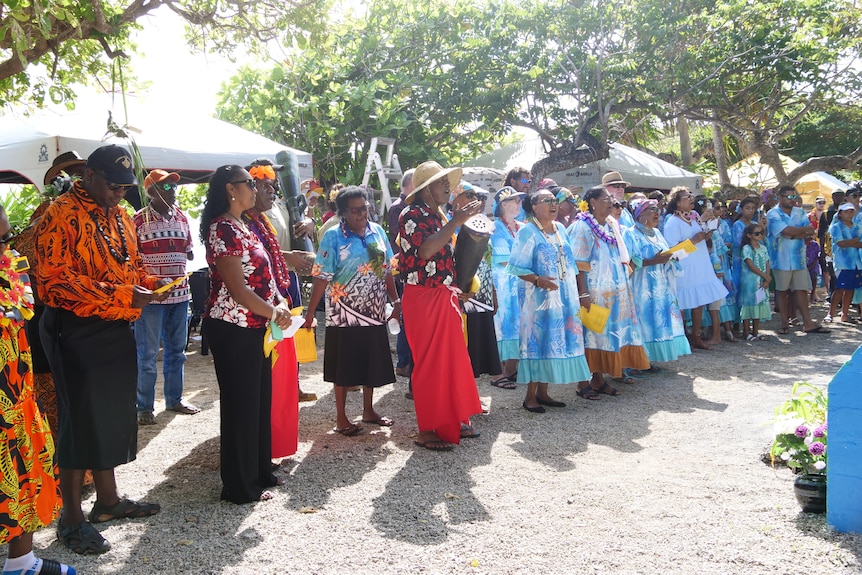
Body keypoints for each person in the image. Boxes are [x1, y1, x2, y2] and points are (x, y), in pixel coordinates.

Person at [35, 145, 168, 554]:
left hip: (115, 324)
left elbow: (126, 264)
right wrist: (123, 293)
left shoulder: (122, 214)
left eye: (126, 188)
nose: (120, 194)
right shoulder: (58, 213)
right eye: (113, 186)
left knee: (110, 413)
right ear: (89, 175)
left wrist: (150, 282)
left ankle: (107, 503)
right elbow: (52, 280)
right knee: (80, 419)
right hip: (74, 328)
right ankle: (71, 518)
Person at [200, 165, 293, 503]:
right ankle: (239, 486)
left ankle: (259, 473)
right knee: (241, 406)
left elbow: (264, 275)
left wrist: (279, 300)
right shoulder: (222, 228)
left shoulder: (245, 225)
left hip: (255, 326)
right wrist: (274, 311)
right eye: (249, 183)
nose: (255, 189)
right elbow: (238, 290)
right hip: (232, 326)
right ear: (230, 189)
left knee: (257, 402)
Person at [0, 204, 77, 575]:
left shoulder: (10, 268)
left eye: (4, 237)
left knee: (24, 467)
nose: (8, 248)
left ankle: (22, 562)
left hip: (17, 394)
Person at [398, 161, 483, 451]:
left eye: (448, 181)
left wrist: (460, 286)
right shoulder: (412, 213)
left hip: (442, 294)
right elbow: (425, 251)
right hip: (422, 297)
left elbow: (445, 257)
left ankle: (453, 419)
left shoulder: (439, 214)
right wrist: (455, 222)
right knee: (430, 364)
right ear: (425, 189)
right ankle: (427, 429)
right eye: (441, 182)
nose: (447, 186)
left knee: (452, 360)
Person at [303, 186, 398, 435]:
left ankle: (368, 410)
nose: (362, 214)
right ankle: (341, 417)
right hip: (343, 315)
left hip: (374, 311)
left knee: (371, 362)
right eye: (355, 210)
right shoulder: (334, 236)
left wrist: (395, 301)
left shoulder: (377, 232)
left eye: (365, 208)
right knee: (344, 366)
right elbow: (321, 276)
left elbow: (386, 270)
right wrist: (310, 312)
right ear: (343, 212)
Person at [507, 189, 591, 412]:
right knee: (538, 340)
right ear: (534, 207)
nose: (554, 205)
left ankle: (543, 393)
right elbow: (515, 266)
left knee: (554, 341)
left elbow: (571, 263)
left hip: (564, 295)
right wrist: (537, 279)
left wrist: (579, 292)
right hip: (538, 298)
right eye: (547, 201)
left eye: (555, 201)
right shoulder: (528, 231)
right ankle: (529, 397)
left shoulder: (561, 228)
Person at [246, 158, 317, 403]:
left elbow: (295, 230)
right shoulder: (246, 216)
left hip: (288, 279)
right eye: (264, 182)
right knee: (274, 335)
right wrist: (289, 257)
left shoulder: (278, 205)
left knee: (291, 333)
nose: (272, 187)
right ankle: (275, 390)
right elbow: (258, 249)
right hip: (269, 282)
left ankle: (291, 385)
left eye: (273, 182)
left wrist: (310, 221)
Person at [133, 169, 200, 425]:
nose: (174, 191)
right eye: (167, 187)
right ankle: (144, 407)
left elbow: (190, 252)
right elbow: (131, 259)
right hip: (152, 300)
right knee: (147, 354)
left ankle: (174, 399)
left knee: (177, 352)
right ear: (152, 192)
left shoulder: (182, 218)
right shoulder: (138, 220)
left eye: (175, 187)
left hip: (181, 297)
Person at [568, 185, 649, 395]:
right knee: (591, 335)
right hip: (594, 293)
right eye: (606, 198)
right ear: (592, 203)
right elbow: (579, 264)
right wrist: (583, 293)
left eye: (611, 198)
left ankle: (599, 379)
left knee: (606, 335)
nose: (611, 201)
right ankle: (583, 383)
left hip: (616, 293)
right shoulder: (582, 227)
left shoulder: (612, 224)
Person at [623, 199, 692, 364]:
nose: (657, 213)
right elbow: (628, 262)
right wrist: (652, 261)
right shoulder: (630, 234)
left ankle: (650, 360)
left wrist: (672, 257)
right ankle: (636, 362)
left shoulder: (657, 233)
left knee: (657, 320)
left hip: (661, 285)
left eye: (658, 210)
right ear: (640, 214)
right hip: (642, 287)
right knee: (643, 321)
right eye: (652, 209)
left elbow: (665, 254)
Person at [662, 187, 728, 350]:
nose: (691, 198)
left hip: (701, 264)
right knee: (683, 303)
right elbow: (672, 251)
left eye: (691, 195)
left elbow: (700, 237)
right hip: (685, 267)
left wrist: (706, 234)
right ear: (677, 202)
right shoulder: (672, 222)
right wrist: (693, 241)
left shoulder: (695, 216)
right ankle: (681, 338)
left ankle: (696, 336)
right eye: (686, 197)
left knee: (698, 302)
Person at [453, 183, 503, 391]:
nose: (478, 200)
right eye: (470, 195)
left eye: (480, 196)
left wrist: (493, 293)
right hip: (464, 298)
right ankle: (463, 397)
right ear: (456, 201)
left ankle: (471, 395)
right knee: (464, 348)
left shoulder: (483, 224)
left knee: (478, 351)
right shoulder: (451, 227)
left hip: (482, 298)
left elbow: (487, 264)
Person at [766, 184, 829, 334]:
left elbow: (810, 233)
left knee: (801, 289)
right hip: (780, 259)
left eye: (794, 196)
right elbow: (785, 231)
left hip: (799, 258)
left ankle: (807, 322)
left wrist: (793, 234)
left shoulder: (800, 212)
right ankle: (784, 323)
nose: (792, 199)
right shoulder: (773, 214)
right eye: (789, 196)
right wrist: (797, 232)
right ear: (779, 197)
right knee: (781, 290)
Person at [489, 186, 525, 388]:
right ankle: (498, 372)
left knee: (518, 323)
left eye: (520, 200)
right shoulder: (495, 227)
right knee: (502, 325)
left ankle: (511, 369)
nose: (519, 203)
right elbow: (504, 259)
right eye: (515, 200)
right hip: (502, 286)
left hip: (519, 283)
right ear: (503, 204)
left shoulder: (521, 226)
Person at [389, 169, 415, 378]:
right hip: (403, 271)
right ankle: (403, 361)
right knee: (405, 318)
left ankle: (406, 361)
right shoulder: (398, 208)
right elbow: (398, 241)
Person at [826, 203, 862, 324]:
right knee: (840, 288)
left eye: (851, 211)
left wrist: (850, 242)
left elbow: (859, 243)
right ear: (840, 214)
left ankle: (844, 314)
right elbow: (841, 243)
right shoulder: (836, 227)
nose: (849, 214)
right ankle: (830, 313)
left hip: (856, 262)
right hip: (842, 262)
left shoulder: (857, 227)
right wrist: (854, 241)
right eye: (846, 212)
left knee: (850, 288)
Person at [738, 223, 772, 341]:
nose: (760, 235)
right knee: (749, 304)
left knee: (759, 303)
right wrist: (765, 276)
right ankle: (746, 331)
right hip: (750, 281)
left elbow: (767, 262)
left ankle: (756, 331)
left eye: (761, 233)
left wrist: (767, 277)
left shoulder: (763, 248)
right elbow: (750, 265)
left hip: (761, 280)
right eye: (756, 233)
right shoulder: (746, 248)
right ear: (749, 235)